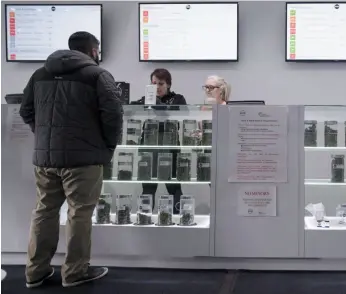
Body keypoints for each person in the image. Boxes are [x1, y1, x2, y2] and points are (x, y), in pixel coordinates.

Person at [20, 31, 123, 288]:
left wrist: (43, 135)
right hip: (84, 160)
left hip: (45, 160)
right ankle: (75, 272)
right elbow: (113, 115)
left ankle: (35, 272)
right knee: (79, 214)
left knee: (44, 211)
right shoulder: (98, 75)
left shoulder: (40, 74)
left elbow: (25, 110)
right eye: (97, 50)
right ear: (91, 51)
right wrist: (107, 147)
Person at [133, 68, 186, 213]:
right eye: (154, 83)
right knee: (148, 187)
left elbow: (179, 114)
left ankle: (177, 217)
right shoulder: (147, 99)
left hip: (170, 148)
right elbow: (130, 109)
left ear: (168, 84)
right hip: (149, 148)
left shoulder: (178, 99)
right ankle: (144, 217)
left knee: (174, 186)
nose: (157, 87)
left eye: (160, 83)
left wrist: (156, 104)